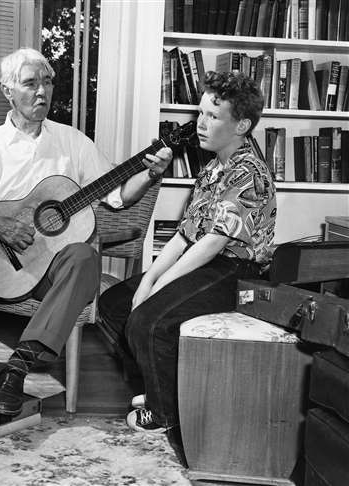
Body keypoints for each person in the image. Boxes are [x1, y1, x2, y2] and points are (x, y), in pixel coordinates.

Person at [0, 47, 173, 417]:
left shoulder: (72, 142)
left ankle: (17, 368)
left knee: (83, 257)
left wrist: (150, 173)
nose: (42, 92)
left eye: (47, 82)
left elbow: (117, 197)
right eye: (30, 83)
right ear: (8, 92)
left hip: (50, 273)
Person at [98, 71, 277, 434]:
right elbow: (185, 235)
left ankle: (163, 414)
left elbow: (213, 242)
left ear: (241, 125)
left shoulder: (248, 171)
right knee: (115, 304)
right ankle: (153, 388)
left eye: (213, 116)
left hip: (238, 271)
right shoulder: (211, 169)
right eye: (200, 113)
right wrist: (148, 278)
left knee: (149, 320)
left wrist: (160, 284)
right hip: (206, 260)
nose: (201, 123)